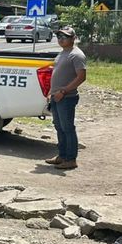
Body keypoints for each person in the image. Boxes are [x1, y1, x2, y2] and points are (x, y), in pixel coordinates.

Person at [45, 26, 86, 171]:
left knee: (67, 128)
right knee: (59, 127)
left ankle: (70, 159)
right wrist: (51, 92)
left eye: (65, 37)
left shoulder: (76, 55)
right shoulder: (63, 53)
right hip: (56, 97)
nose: (61, 39)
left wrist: (63, 91)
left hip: (66, 97)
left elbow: (81, 77)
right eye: (59, 36)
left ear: (73, 38)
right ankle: (62, 155)